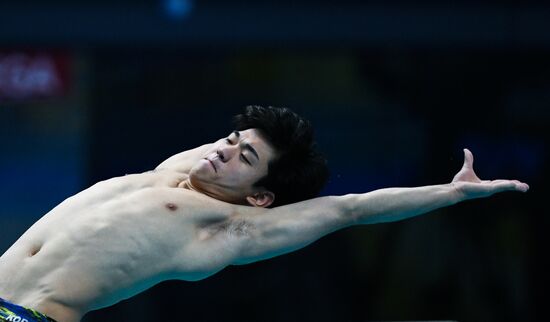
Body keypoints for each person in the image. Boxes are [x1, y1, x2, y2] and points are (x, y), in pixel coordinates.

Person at [0, 105, 529, 322]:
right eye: (229, 141)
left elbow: (348, 210)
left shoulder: (224, 228)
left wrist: (450, 194)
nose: (224, 151)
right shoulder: (175, 170)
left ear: (259, 197)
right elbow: (245, 135)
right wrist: (251, 137)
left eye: (244, 158)